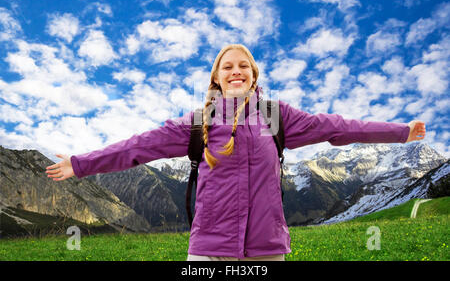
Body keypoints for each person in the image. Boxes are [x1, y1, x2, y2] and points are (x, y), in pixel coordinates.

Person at [45, 44, 426, 261]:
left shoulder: (278, 116)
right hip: (209, 248)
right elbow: (138, 147)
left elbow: (338, 128)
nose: (236, 71)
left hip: (267, 249)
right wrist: (80, 164)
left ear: (254, 75)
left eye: (244, 65)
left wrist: (400, 132)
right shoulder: (198, 122)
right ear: (217, 76)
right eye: (228, 66)